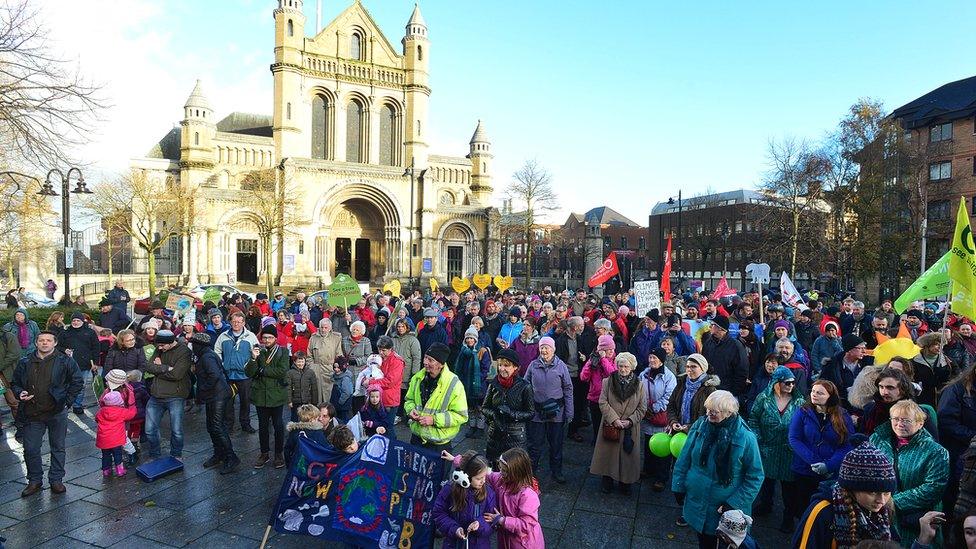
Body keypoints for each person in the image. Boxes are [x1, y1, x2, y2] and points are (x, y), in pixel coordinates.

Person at [671, 390, 764, 548]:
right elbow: (684, 458)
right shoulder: (701, 425)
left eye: (714, 411)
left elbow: (755, 476)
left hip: (724, 509)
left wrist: (733, 503)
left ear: (729, 412)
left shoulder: (746, 437)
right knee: (704, 541)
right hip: (697, 500)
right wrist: (678, 486)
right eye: (707, 410)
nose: (708, 414)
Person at [12, 330, 83, 497]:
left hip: (56, 412)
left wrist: (67, 401)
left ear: (55, 343)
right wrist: (20, 392)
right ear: (36, 343)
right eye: (41, 340)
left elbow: (77, 381)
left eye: (48, 340)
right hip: (32, 413)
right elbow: (15, 383)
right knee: (30, 449)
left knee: (58, 447)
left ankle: (56, 479)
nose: (45, 343)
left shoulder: (65, 361)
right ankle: (35, 480)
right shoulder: (25, 361)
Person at [792, 437, 899, 548]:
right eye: (872, 492)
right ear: (851, 488)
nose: (881, 500)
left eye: (886, 493)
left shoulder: (884, 512)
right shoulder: (823, 512)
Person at [870, 400, 950, 547]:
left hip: (917, 518)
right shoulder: (877, 440)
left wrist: (894, 501)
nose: (900, 423)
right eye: (896, 419)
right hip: (880, 513)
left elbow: (934, 488)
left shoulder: (936, 451)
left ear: (920, 424)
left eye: (906, 420)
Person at [441, 447, 545, 549]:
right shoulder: (501, 480)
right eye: (500, 469)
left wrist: (502, 520)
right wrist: (456, 460)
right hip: (506, 539)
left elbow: (527, 524)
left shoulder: (527, 495)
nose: (501, 473)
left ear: (516, 472)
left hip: (525, 543)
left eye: (505, 471)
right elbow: (478, 470)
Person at [789, 379, 856, 521]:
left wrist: (828, 465)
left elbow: (846, 445)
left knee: (823, 510)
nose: (814, 395)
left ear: (830, 396)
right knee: (802, 507)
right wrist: (814, 461)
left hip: (830, 473)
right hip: (804, 469)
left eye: (820, 393)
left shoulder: (842, 416)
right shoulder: (803, 412)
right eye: (813, 391)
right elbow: (794, 438)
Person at [748, 365, 804, 532]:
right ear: (776, 382)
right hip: (768, 448)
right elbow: (753, 420)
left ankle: (788, 517)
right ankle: (766, 505)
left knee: (789, 489)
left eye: (793, 383)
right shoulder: (763, 399)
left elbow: (803, 425)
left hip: (789, 451)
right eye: (787, 383)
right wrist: (759, 441)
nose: (791, 386)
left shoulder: (799, 402)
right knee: (767, 481)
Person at [590, 352, 647, 496]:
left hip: (630, 427)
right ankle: (607, 481)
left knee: (627, 457)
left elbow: (642, 408)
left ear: (632, 367)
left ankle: (625, 483)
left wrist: (630, 421)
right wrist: (614, 419)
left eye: (626, 366)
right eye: (620, 366)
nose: (622, 369)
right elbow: (602, 402)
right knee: (608, 455)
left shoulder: (640, 386)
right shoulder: (607, 382)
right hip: (611, 424)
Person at [524, 336, 573, 483]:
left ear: (553, 349)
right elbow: (525, 386)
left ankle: (556, 471)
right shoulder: (533, 365)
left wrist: (569, 412)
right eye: (542, 347)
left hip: (556, 413)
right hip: (537, 413)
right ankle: (530, 474)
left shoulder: (561, 366)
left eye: (547, 347)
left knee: (556, 444)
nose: (544, 350)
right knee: (534, 445)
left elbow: (568, 389)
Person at [404, 342, 468, 451]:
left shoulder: (454, 384)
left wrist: (434, 420)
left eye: (430, 360)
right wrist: (410, 410)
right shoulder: (417, 378)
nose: (425, 362)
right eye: (425, 357)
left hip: (439, 444)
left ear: (441, 364)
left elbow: (461, 415)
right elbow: (409, 400)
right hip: (417, 438)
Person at [141, 329, 192, 461]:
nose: (159, 347)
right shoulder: (159, 348)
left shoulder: (184, 352)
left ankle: (176, 454)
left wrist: (159, 368)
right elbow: (148, 366)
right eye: (158, 345)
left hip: (175, 395)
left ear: (171, 343)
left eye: (163, 345)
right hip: (156, 394)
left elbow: (177, 375)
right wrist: (166, 368)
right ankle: (155, 454)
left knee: (176, 430)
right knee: (149, 430)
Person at [246, 324, 290, 469]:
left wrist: (262, 370)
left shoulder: (282, 351)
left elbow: (282, 371)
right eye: (264, 337)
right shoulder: (258, 351)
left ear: (275, 338)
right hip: (260, 395)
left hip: (276, 394)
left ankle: (279, 454)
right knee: (263, 426)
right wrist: (253, 359)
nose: (266, 340)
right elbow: (249, 372)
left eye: (270, 337)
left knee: (278, 425)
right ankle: (264, 453)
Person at [433, 450, 497, 549]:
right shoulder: (449, 490)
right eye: (479, 478)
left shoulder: (488, 493)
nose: (483, 481)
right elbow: (439, 513)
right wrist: (454, 529)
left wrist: (479, 524)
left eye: (484, 476)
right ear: (464, 477)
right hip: (453, 544)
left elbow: (492, 522)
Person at [482, 348, 534, 466]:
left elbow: (530, 413)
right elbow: (485, 407)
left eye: (506, 365)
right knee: (494, 472)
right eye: (500, 365)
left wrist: (512, 414)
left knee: (513, 472)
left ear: (515, 367)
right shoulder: (494, 383)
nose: (502, 369)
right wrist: (494, 414)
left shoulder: (525, 386)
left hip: (515, 437)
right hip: (495, 435)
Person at [939, 365, 976, 514]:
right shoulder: (957, 389)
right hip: (960, 455)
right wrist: (972, 437)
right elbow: (946, 421)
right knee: (959, 502)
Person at [214, 312, 259, 433]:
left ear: (244, 322)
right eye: (234, 321)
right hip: (228, 375)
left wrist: (249, 364)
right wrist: (222, 363)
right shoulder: (223, 336)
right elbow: (217, 351)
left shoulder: (250, 336)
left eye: (239, 322)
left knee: (245, 401)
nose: (236, 324)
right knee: (228, 402)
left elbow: (256, 351)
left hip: (244, 375)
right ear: (230, 322)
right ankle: (229, 424)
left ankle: (245, 424)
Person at [860, 369, 938, 439]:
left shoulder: (918, 412)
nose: (884, 392)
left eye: (890, 388)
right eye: (881, 387)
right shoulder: (871, 410)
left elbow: (933, 444)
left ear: (902, 389)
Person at [639, 347, 677, 491]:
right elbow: (639, 391)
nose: (651, 360)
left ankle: (661, 477)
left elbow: (669, 397)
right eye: (650, 357)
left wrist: (654, 408)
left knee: (662, 448)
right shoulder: (644, 374)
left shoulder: (669, 377)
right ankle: (648, 469)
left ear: (661, 360)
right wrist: (644, 408)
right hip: (647, 416)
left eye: (654, 358)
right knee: (648, 444)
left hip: (661, 417)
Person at [667, 354, 720, 436]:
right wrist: (673, 422)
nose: (689, 369)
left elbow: (710, 416)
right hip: (678, 434)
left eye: (693, 366)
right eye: (687, 366)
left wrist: (690, 427)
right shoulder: (681, 383)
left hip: (699, 434)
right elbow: (671, 405)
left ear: (702, 369)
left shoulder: (709, 389)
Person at [59, 312, 99, 415]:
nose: (75, 322)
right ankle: (66, 405)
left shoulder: (90, 332)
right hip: (68, 364)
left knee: (81, 386)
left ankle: (77, 405)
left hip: (85, 363)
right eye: (74, 320)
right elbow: (57, 346)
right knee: (66, 385)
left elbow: (96, 348)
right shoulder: (65, 332)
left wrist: (95, 362)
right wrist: (64, 350)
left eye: (78, 320)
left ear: (82, 321)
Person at [580, 334, 617, 444]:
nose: (611, 351)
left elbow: (613, 374)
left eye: (612, 348)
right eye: (608, 349)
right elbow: (583, 377)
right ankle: (596, 440)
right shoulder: (593, 359)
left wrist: (604, 360)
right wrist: (590, 364)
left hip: (609, 398)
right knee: (596, 423)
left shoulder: (615, 359)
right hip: (594, 397)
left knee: (607, 422)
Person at [701, 315, 750, 398]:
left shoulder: (736, 345)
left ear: (720, 328)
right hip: (709, 389)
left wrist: (733, 392)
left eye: (712, 325)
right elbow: (703, 365)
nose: (710, 327)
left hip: (727, 392)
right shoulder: (708, 343)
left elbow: (742, 371)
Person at [456, 327, 491, 439]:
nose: (470, 340)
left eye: (472, 338)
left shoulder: (482, 351)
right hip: (466, 384)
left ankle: (480, 428)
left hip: (479, 384)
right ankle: (472, 426)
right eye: (468, 338)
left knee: (479, 407)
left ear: (475, 339)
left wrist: (477, 379)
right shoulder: (463, 351)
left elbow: (485, 369)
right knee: (470, 407)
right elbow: (459, 367)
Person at [95, 390, 136, 477]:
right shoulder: (121, 412)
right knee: (117, 454)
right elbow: (132, 414)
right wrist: (132, 405)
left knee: (105, 455)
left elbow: (96, 418)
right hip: (116, 440)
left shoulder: (101, 411)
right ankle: (120, 470)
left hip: (104, 440)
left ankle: (106, 470)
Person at [912, 332, 957, 408]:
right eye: (936, 344)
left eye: (941, 344)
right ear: (927, 346)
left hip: (944, 398)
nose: (940, 347)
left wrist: (946, 380)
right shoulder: (914, 362)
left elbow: (957, 375)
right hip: (922, 399)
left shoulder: (948, 361)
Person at [822, 334, 868, 408]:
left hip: (862, 406)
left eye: (864, 348)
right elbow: (826, 385)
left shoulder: (868, 364)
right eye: (860, 348)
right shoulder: (832, 366)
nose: (864, 351)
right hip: (840, 405)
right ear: (849, 350)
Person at [0, 322, 22, 432]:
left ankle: (20, 426)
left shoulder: (8, 336)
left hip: (5, 376)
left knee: (14, 402)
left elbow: (15, 353)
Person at [286, 351, 319, 422]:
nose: (300, 364)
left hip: (307, 400)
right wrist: (289, 401)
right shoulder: (290, 373)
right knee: (295, 418)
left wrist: (314, 402)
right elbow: (288, 388)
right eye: (298, 362)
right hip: (296, 401)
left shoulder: (310, 372)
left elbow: (314, 388)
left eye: (302, 361)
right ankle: (294, 432)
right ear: (294, 362)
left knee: (307, 418)